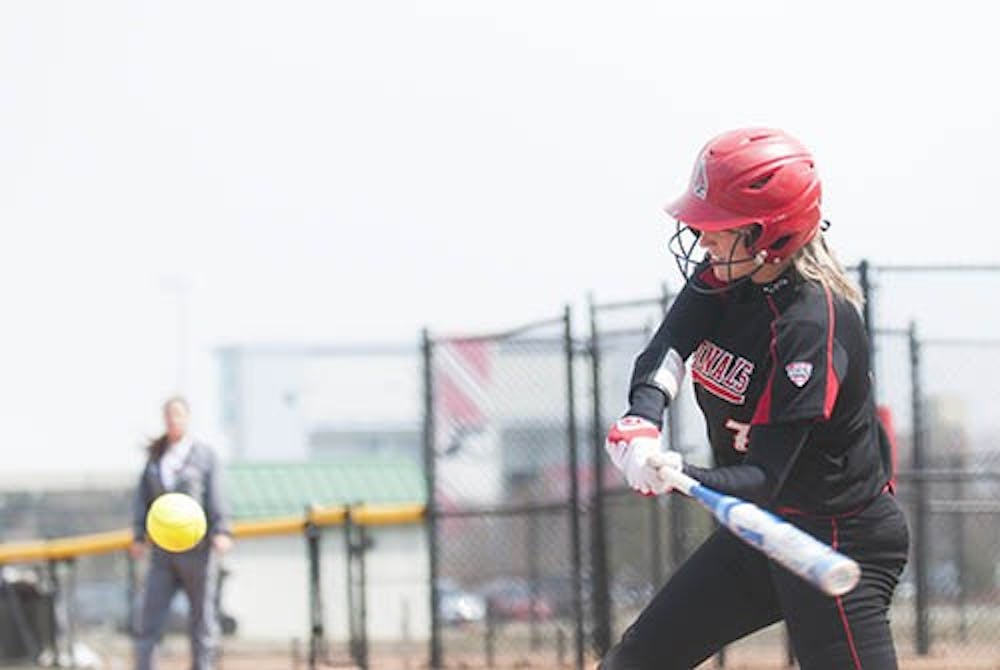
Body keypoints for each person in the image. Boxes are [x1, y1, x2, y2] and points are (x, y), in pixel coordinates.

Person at [601, 128, 909, 669]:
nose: (703, 239)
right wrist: (643, 420)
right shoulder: (724, 277)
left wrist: (678, 472)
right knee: (637, 662)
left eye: (718, 226)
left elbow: (766, 474)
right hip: (760, 527)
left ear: (771, 236)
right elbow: (669, 347)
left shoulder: (811, 325)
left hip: (835, 537)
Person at [130, 396, 233, 670]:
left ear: (187, 418)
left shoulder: (204, 455)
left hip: (197, 552)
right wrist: (138, 535)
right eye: (168, 415)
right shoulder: (156, 456)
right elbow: (143, 499)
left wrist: (222, 530)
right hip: (162, 553)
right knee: (148, 618)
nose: (173, 419)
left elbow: (216, 495)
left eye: (178, 414)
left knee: (202, 619)